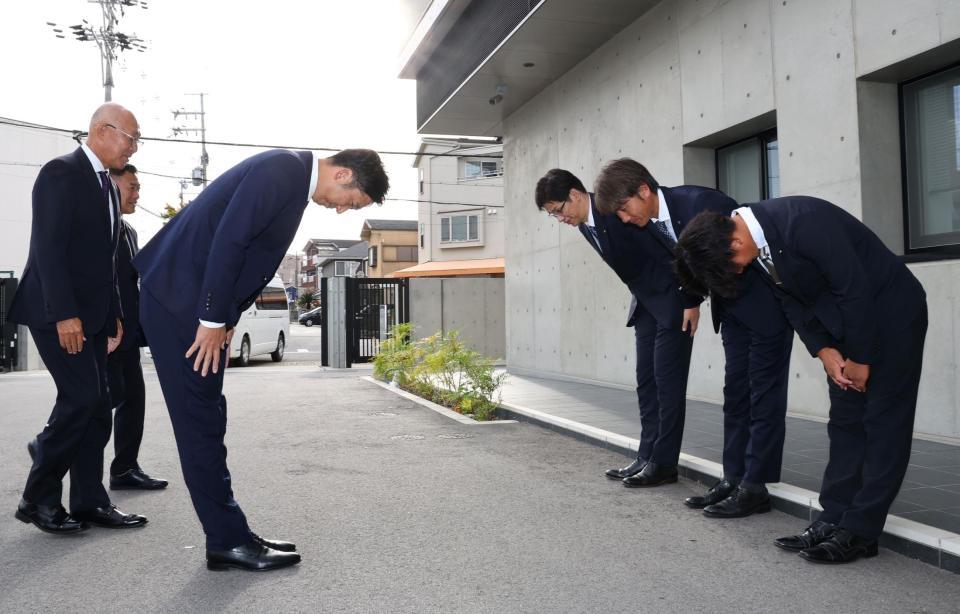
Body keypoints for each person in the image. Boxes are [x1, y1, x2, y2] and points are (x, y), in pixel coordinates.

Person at [134, 148, 389, 571]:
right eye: (351, 201)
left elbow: (246, 252)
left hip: (185, 300)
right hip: (180, 301)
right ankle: (227, 540)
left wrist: (226, 317)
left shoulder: (288, 178)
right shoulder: (282, 171)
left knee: (208, 416)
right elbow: (229, 241)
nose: (342, 210)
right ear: (343, 173)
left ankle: (231, 533)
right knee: (200, 421)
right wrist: (213, 317)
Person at [674, 196, 927, 563]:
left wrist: (860, 357)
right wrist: (823, 349)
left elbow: (853, 288)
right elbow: (790, 299)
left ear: (733, 244)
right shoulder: (755, 242)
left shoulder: (803, 223)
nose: (737, 274)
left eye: (729, 270)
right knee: (844, 423)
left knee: (883, 424)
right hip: (843, 327)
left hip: (891, 315)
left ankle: (861, 531)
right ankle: (834, 517)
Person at [592, 159, 793, 511]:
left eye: (624, 208)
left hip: (765, 309)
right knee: (735, 394)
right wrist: (690, 299)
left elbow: (749, 252)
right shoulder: (652, 222)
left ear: (643, 190)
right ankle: (732, 477)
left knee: (763, 396)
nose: (624, 219)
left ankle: (755, 485)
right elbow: (684, 266)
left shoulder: (702, 203)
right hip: (731, 311)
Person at [9, 103, 147, 533]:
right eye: (131, 137)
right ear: (103, 131)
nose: (133, 146)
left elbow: (106, 261)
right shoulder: (61, 172)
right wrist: (67, 314)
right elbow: (47, 250)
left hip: (94, 317)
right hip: (57, 314)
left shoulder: (106, 185)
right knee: (83, 399)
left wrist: (114, 316)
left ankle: (88, 500)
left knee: (99, 405)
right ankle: (38, 496)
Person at [105, 164, 168, 490]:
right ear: (113, 186)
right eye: (133, 187)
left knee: (132, 399)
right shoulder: (98, 225)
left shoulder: (128, 231)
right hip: (104, 333)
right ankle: (48, 447)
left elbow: (134, 283)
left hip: (127, 333)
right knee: (96, 403)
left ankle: (124, 469)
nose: (138, 194)